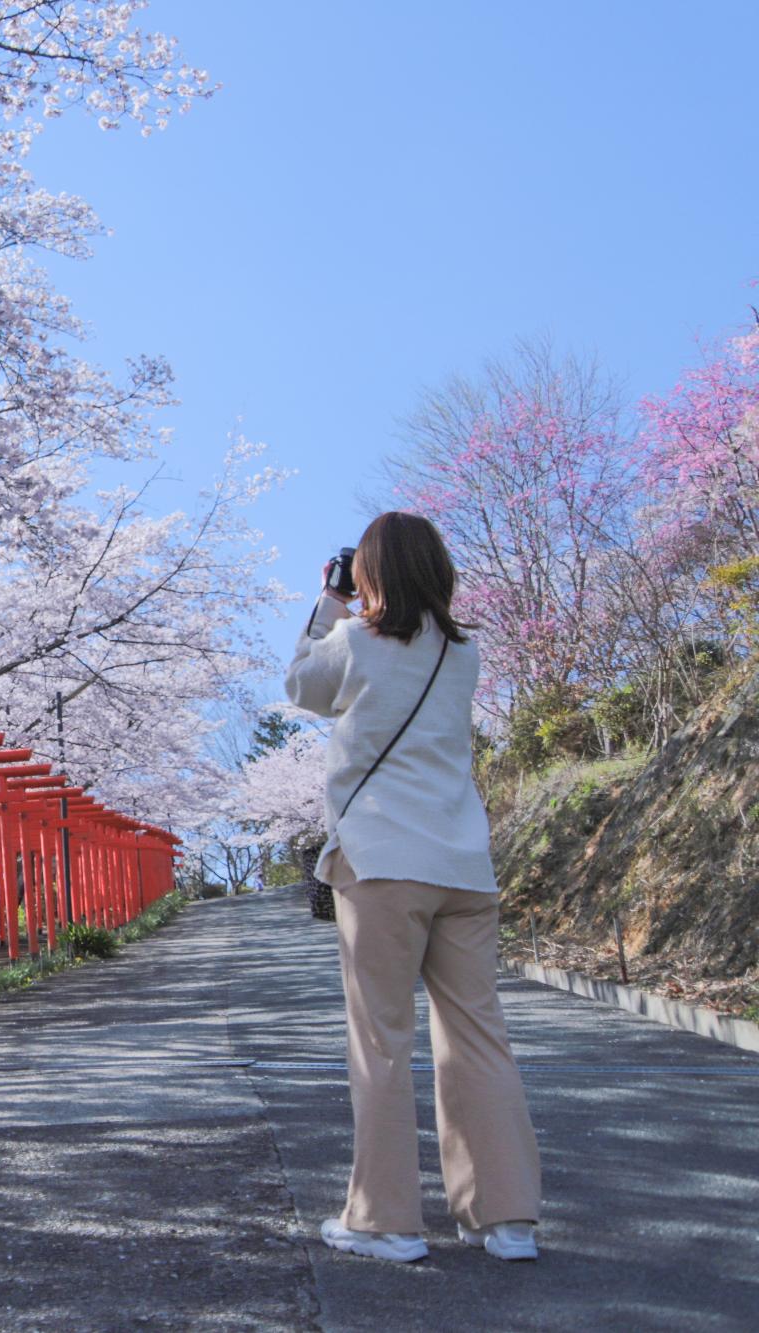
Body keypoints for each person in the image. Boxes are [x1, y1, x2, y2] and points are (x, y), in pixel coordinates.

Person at [284, 511, 542, 1264]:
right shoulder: (464, 654)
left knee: (382, 1042)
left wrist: (330, 602)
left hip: (382, 863)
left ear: (368, 572)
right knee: (478, 1036)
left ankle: (387, 1222)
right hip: (464, 862)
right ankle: (508, 1219)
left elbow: (303, 685)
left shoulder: (356, 639)